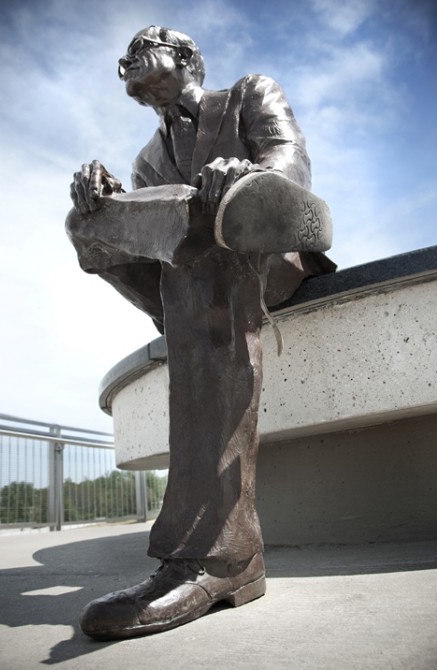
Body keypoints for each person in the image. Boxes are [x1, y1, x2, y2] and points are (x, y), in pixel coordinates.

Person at [67, 25, 335, 640]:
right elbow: (151, 231)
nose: (126, 62)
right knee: (89, 224)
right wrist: (104, 204)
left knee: (204, 241)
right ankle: (218, 554)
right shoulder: (146, 160)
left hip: (265, 257)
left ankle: (221, 555)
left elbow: (289, 167)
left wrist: (244, 174)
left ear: (186, 57)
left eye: (142, 50)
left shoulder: (248, 94)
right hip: (191, 280)